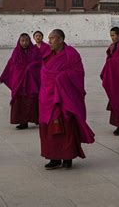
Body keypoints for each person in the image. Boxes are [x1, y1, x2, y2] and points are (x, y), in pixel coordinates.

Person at [39, 29, 95, 169]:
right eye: (49, 38)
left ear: (61, 39)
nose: (49, 41)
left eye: (53, 38)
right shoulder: (47, 55)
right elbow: (44, 73)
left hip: (65, 98)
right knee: (49, 129)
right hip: (48, 98)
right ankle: (54, 158)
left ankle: (67, 157)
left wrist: (61, 78)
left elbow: (78, 73)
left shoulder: (71, 54)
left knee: (67, 127)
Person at [0, 33, 42, 129]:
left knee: (33, 101)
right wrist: (3, 76)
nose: (24, 43)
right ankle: (23, 122)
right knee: (19, 102)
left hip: (31, 82)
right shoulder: (16, 51)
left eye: (26, 40)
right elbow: (10, 64)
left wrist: (31, 67)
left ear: (29, 41)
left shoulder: (35, 51)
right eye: (22, 41)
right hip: (19, 83)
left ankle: (36, 119)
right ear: (19, 41)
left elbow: (40, 63)